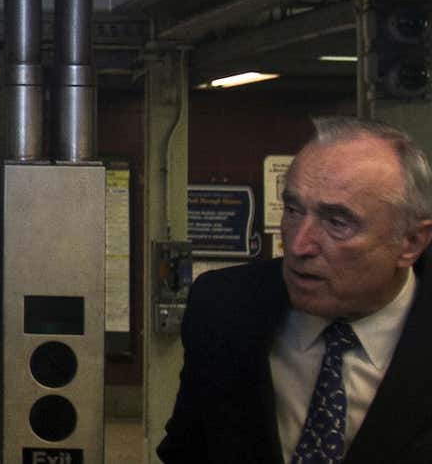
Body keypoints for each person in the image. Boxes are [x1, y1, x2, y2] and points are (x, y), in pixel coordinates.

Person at [158, 116, 432, 464]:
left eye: (337, 222)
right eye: (292, 210)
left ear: (411, 242)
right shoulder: (224, 309)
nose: (299, 245)